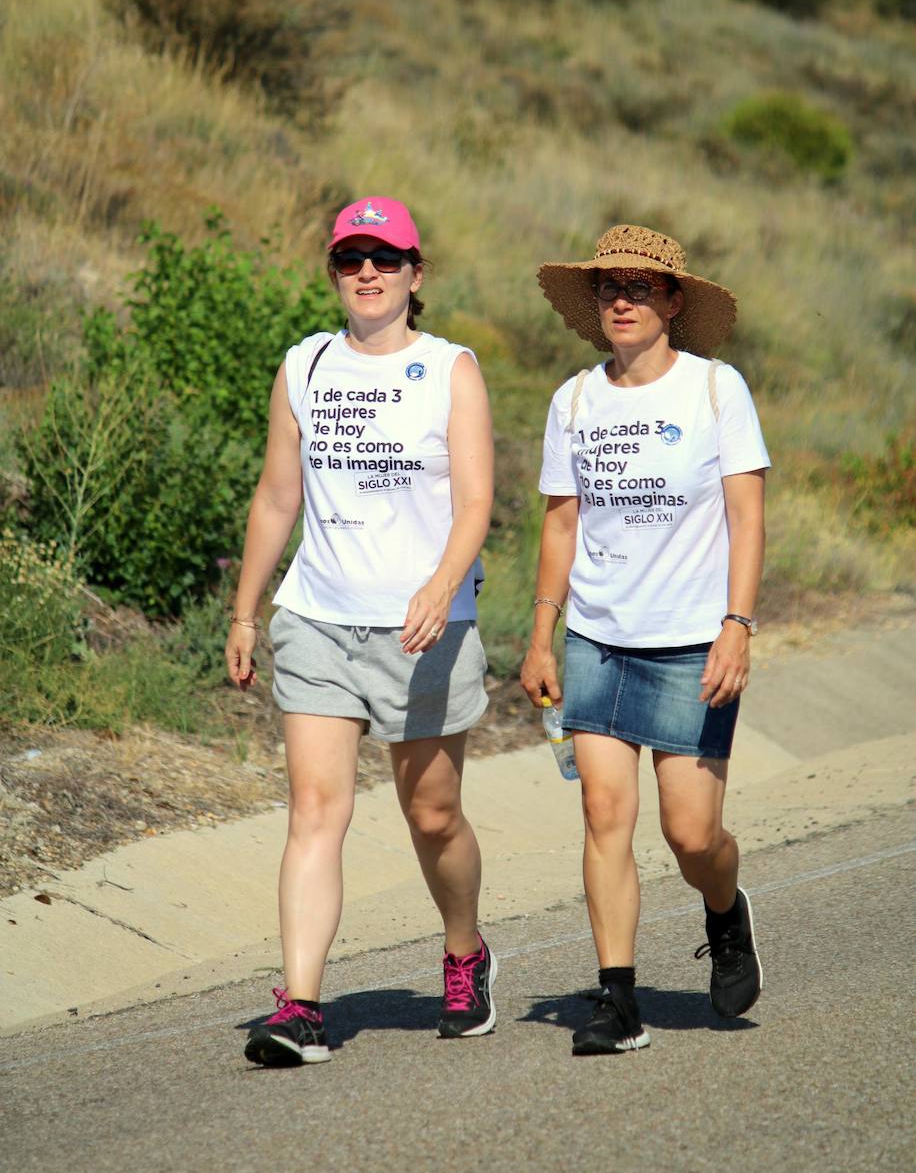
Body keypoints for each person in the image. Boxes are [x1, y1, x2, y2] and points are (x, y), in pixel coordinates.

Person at [227, 196, 496, 1065]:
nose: (368, 273)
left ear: (417, 275)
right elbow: (277, 496)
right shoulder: (304, 366)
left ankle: (465, 952)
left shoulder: (451, 369)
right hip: (318, 619)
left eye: (386, 258)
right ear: (335, 273)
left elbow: (475, 501)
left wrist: (441, 585)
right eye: (351, 259)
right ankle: (301, 1006)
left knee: (434, 813)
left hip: (425, 628)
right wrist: (246, 609)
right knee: (315, 810)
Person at [520, 223, 770, 1056]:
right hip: (597, 635)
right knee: (603, 811)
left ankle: (725, 913)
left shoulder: (715, 390)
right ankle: (617, 999)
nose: (620, 300)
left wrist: (737, 626)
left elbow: (746, 515)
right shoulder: (575, 400)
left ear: (672, 301)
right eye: (606, 287)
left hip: (694, 642)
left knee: (693, 835)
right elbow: (560, 525)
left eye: (638, 286)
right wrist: (541, 636)